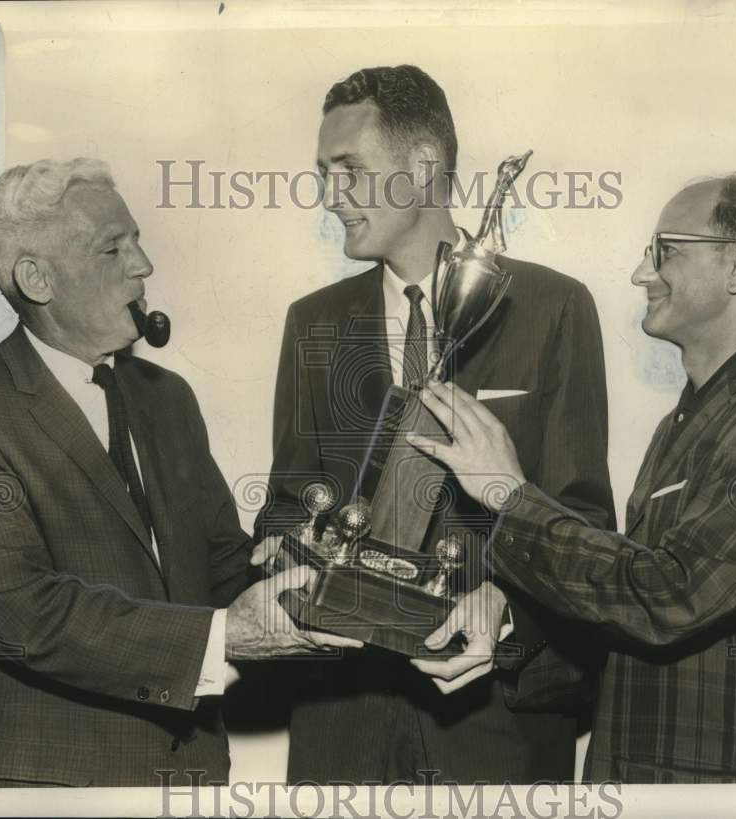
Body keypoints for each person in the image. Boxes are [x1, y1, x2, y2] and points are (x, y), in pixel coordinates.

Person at [0, 158, 359, 788]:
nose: (142, 266)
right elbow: (23, 613)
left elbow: (222, 565)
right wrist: (226, 636)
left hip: (190, 780)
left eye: (138, 240)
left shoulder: (165, 398)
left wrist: (297, 578)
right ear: (37, 279)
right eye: (112, 248)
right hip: (48, 788)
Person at [408, 173, 736, 782]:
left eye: (665, 250)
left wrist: (509, 496)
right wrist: (503, 613)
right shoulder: (686, 421)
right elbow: (624, 605)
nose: (643, 274)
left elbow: (672, 596)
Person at [254, 65, 615, 785]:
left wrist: (507, 607)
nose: (330, 197)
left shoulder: (554, 307)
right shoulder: (313, 322)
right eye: (323, 174)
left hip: (495, 727)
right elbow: (289, 502)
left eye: (349, 170)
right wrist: (279, 551)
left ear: (422, 168)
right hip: (342, 726)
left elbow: (582, 520)